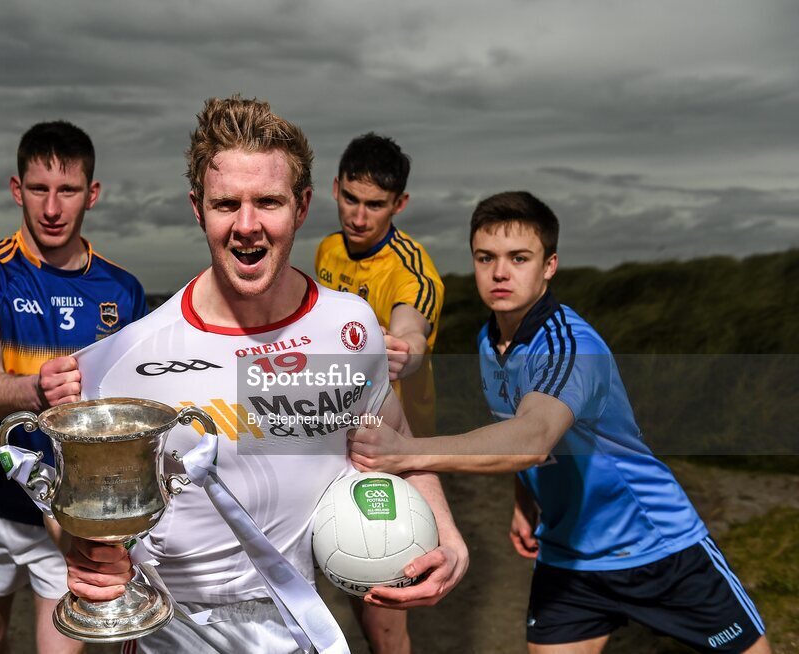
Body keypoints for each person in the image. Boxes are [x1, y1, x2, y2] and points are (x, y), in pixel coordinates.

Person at [60, 96, 469, 654]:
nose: (247, 226)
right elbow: (66, 501)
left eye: (268, 202)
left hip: (298, 629)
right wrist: (81, 551)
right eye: (226, 203)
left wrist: (444, 531)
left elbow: (395, 447)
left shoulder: (348, 327)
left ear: (301, 207)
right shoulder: (122, 360)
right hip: (172, 634)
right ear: (197, 208)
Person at [349, 191, 771, 653]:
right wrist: (524, 500)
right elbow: (514, 423)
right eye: (485, 257)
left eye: (519, 258)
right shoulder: (491, 339)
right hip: (569, 556)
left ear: (549, 265)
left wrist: (405, 451)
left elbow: (533, 437)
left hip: (657, 547)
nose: (500, 272)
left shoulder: (569, 345)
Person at [0, 120, 147, 654]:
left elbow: (131, 410)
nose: (52, 209)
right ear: (17, 190)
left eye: (68, 190)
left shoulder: (123, 292)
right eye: (39, 189)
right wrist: (37, 389)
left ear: (92, 195)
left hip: (68, 511)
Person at [313, 133, 445, 653]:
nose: (359, 217)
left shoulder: (414, 270)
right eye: (350, 198)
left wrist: (404, 350)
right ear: (335, 189)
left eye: (375, 205)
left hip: (393, 452)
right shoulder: (326, 247)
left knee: (381, 612)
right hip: (333, 433)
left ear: (400, 204)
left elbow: (411, 331)